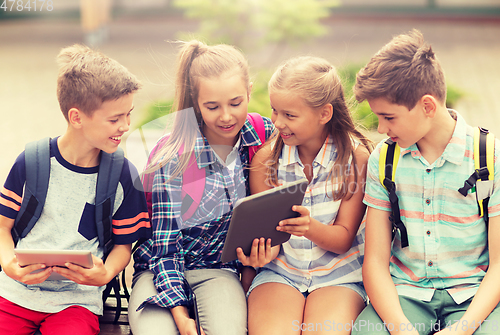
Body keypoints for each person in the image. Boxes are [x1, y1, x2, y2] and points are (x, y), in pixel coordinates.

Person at [352, 29, 500, 335]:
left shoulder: (487, 157)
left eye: (388, 117)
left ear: (428, 106)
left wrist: (463, 328)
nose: (380, 128)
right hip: (407, 295)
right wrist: (401, 329)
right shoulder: (385, 160)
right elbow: (376, 263)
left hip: (476, 296)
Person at [0, 44, 151, 335]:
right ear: (77, 117)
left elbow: (123, 246)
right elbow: (2, 227)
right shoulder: (31, 162)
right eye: (115, 119)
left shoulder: (121, 174)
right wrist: (8, 264)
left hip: (76, 302)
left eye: (128, 115)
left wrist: (105, 273)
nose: (126, 126)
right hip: (15, 293)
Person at [128, 40, 275, 335]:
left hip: (219, 271)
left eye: (236, 103)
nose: (226, 116)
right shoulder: (173, 157)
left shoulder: (263, 136)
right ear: (196, 102)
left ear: (249, 92)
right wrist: (182, 318)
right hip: (160, 269)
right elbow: (164, 250)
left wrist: (260, 257)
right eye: (212, 106)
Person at [246, 56, 372, 335]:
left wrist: (309, 228)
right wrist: (258, 255)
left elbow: (343, 240)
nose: (277, 122)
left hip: (339, 276)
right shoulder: (266, 161)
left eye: (289, 115)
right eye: (274, 111)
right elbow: (271, 244)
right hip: (280, 274)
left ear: (324, 114)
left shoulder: (356, 158)